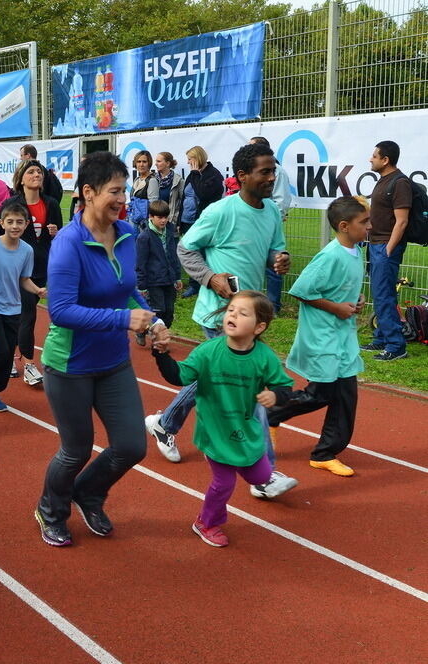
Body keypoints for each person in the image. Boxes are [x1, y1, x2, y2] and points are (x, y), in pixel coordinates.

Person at [144, 143, 297, 500]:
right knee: (247, 385)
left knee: (213, 382)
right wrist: (210, 277)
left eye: (273, 171)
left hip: (250, 311)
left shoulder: (272, 212)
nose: (271, 178)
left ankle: (165, 424)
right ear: (243, 176)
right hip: (221, 313)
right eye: (265, 172)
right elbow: (186, 248)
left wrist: (280, 258)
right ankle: (265, 473)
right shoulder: (221, 211)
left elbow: (275, 246)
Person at [35, 151, 169, 547]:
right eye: (114, 191)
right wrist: (123, 320)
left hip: (113, 362)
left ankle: (88, 493)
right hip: (69, 364)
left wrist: (153, 320)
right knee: (75, 451)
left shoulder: (127, 233)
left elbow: (127, 292)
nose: (121, 198)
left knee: (131, 445)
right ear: (88, 193)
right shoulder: (68, 243)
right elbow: (60, 311)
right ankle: (50, 508)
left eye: (125, 190)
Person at [152, 291, 294, 547]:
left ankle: (241, 463)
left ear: (259, 326)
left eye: (243, 313)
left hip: (246, 431)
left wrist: (275, 395)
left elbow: (284, 387)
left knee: (261, 474)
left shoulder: (264, 357)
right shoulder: (209, 351)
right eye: (231, 310)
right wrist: (162, 354)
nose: (233, 315)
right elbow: (179, 377)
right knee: (224, 482)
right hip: (215, 431)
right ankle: (206, 522)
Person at [268, 196, 370, 477]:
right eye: (365, 222)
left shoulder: (356, 251)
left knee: (346, 395)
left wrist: (356, 299)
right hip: (324, 336)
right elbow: (301, 290)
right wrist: (335, 308)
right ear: (344, 226)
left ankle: (325, 453)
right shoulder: (329, 255)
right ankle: (270, 414)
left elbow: (345, 286)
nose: (369, 226)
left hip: (344, 338)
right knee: (320, 394)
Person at [0, 158, 61, 387]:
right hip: (18, 269)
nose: (37, 175)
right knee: (27, 315)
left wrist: (55, 232)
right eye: (31, 172)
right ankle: (29, 365)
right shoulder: (13, 203)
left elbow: (59, 237)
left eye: (39, 172)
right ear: (21, 179)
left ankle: (13, 357)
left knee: (22, 317)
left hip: (43, 266)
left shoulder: (51, 203)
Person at [0, 202, 46, 412]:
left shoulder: (27, 250)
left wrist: (38, 291)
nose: (15, 226)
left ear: (26, 225)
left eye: (19, 222)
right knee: (1, 352)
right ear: (2, 223)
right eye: (11, 221)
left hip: (14, 309)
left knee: (7, 360)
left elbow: (24, 279)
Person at [361, 140, 410, 361]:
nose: (370, 159)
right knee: (381, 295)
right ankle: (381, 338)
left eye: (374, 155)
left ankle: (396, 345)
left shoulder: (399, 183)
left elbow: (402, 222)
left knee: (384, 296)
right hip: (375, 245)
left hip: (385, 247)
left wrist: (389, 249)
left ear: (385, 159)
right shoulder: (383, 181)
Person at [250, 137, 293, 313]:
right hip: (254, 221)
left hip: (266, 223)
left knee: (274, 261)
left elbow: (282, 201)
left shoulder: (279, 172)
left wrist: (271, 217)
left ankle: (273, 305)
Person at [179, 146, 224, 297]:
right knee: (191, 251)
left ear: (197, 159)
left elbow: (202, 194)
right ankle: (194, 284)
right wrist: (180, 220)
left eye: (190, 159)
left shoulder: (213, 175)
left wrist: (195, 174)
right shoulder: (192, 175)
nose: (187, 162)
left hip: (204, 221)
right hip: (188, 219)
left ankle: (207, 283)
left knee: (204, 253)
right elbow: (184, 197)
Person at [135, 200, 181, 344]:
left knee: (169, 312)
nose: (163, 220)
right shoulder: (144, 237)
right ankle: (145, 332)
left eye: (165, 217)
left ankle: (159, 333)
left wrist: (177, 277)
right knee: (157, 311)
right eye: (160, 217)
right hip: (154, 281)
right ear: (151, 217)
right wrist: (141, 285)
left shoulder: (170, 232)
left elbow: (174, 256)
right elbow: (140, 263)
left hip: (169, 278)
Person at [128, 150, 158, 230]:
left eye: (144, 161)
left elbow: (153, 205)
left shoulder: (152, 180)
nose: (141, 164)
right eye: (138, 161)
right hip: (134, 220)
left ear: (149, 163)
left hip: (145, 224)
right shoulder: (137, 179)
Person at [153, 151, 184, 226]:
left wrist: (178, 222)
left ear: (168, 163)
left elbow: (183, 203)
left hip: (170, 222)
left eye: (159, 161)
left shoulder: (178, 181)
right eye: (156, 161)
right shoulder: (153, 179)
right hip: (155, 223)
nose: (156, 164)